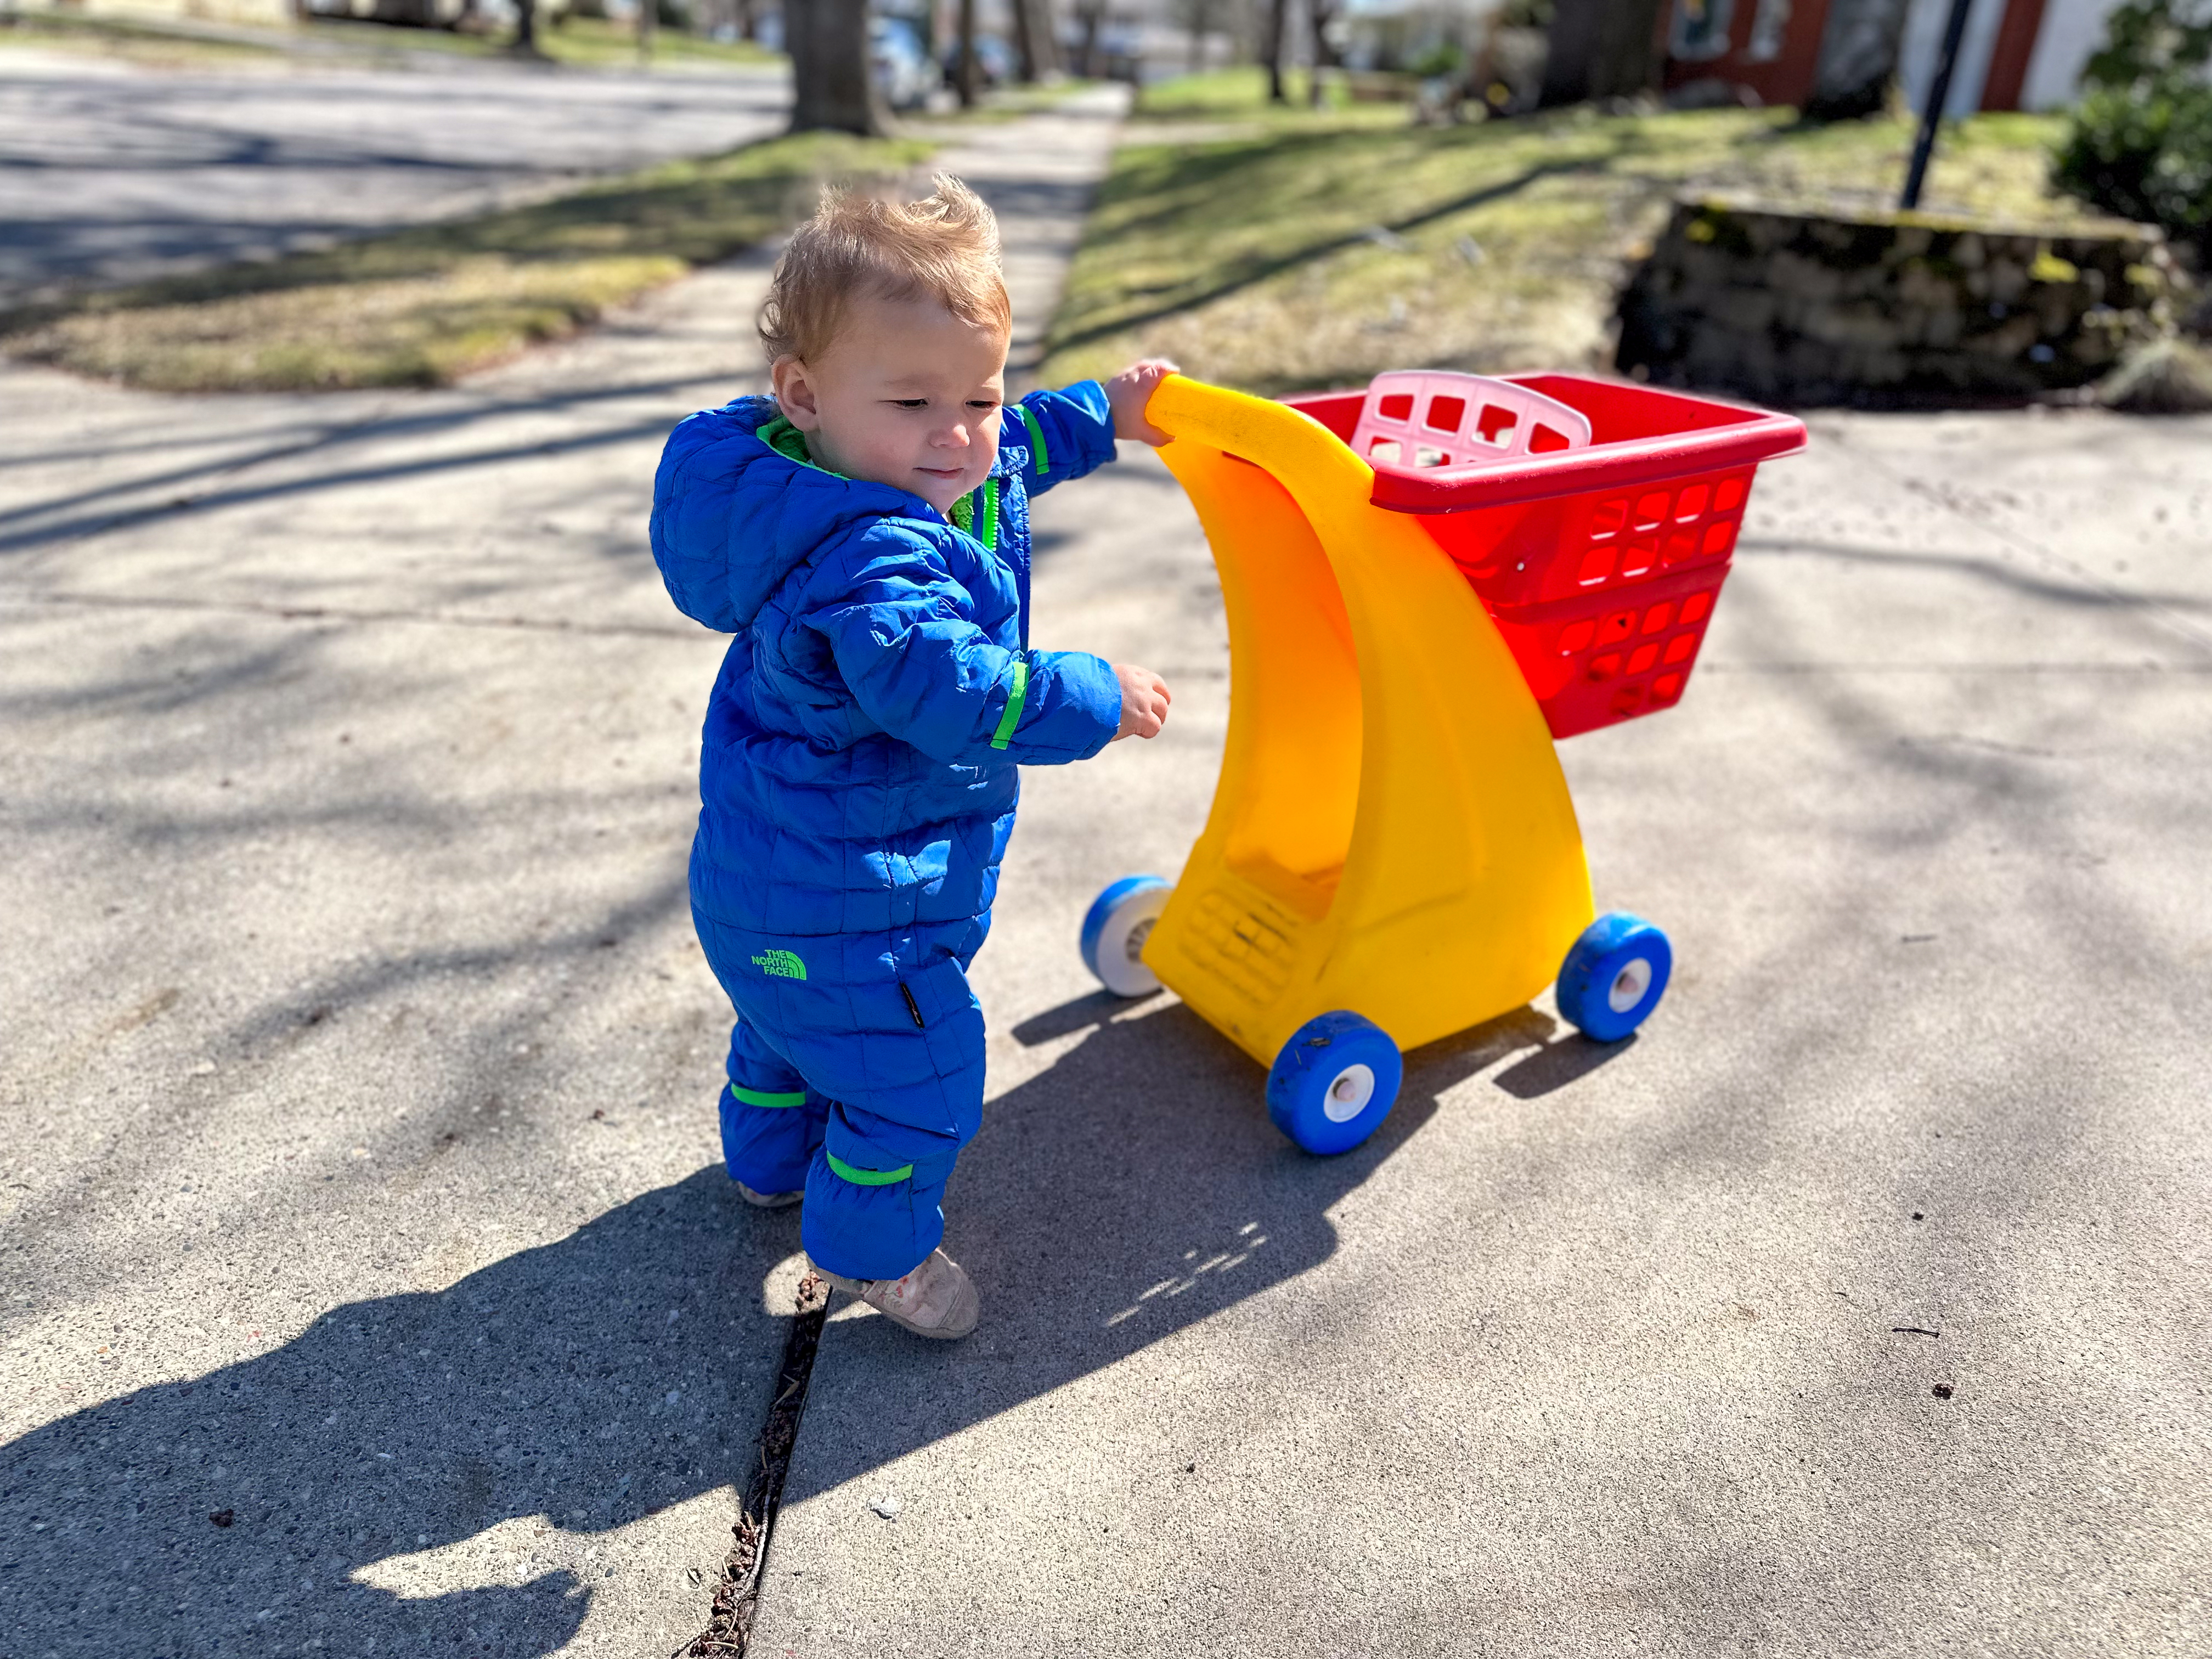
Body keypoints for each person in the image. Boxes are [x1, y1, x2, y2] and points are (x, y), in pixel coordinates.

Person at [648, 175, 1177, 1341]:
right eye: (915, 402)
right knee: (918, 1079)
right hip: (856, 908)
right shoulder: (869, 561)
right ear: (805, 396)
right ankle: (872, 1251)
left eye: (978, 394)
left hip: (768, 894)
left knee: (787, 1033)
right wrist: (1092, 692)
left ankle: (766, 1164)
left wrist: (1108, 414)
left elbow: (1014, 448)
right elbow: (954, 694)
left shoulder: (864, 467)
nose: (959, 434)